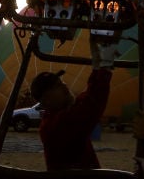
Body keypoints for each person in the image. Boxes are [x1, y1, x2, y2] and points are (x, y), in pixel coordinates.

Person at [33, 38, 116, 171]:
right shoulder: (55, 126)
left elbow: (83, 100)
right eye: (57, 86)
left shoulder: (57, 117)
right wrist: (105, 67)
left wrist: (96, 68)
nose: (65, 86)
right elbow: (90, 105)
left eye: (62, 82)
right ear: (46, 100)